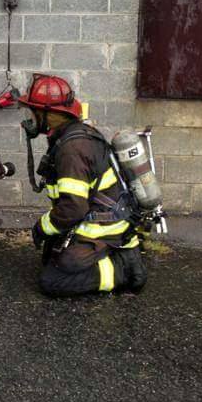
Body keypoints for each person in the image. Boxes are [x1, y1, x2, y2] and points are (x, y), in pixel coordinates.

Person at [17, 74, 147, 297]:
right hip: (102, 222)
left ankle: (124, 270)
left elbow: (73, 208)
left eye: (34, 112)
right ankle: (116, 259)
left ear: (50, 115)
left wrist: (42, 227)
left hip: (106, 232)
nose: (31, 118)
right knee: (51, 257)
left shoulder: (72, 149)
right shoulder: (71, 137)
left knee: (52, 281)